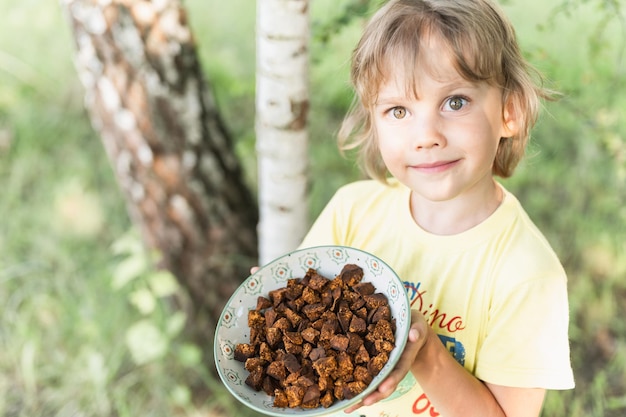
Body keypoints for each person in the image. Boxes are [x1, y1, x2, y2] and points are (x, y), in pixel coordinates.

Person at [298, 0, 575, 416]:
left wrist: (425, 354)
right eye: (398, 110)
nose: (425, 135)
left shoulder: (526, 273)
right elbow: (302, 337)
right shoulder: (351, 212)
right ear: (374, 122)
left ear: (510, 111)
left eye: (456, 102)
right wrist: (278, 301)